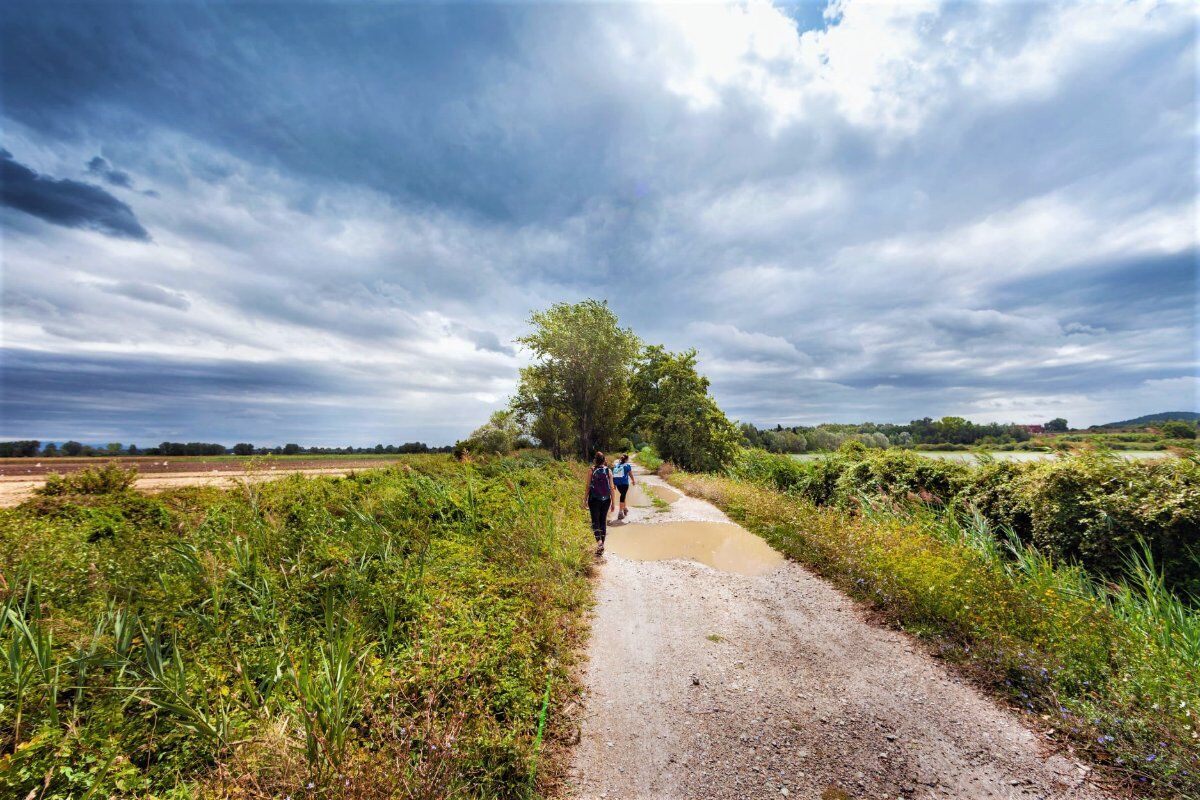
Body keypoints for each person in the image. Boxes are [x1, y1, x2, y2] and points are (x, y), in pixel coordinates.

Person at [582, 451, 617, 555]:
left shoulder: (591, 470)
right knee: (603, 521)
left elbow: (588, 486)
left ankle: (599, 543)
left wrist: (585, 500)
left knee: (595, 521)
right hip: (606, 499)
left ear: (595, 460)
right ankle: (602, 545)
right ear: (604, 460)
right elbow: (611, 488)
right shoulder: (608, 471)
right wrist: (613, 503)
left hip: (594, 499)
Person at [611, 453, 635, 519]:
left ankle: (625, 508)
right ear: (627, 459)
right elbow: (630, 474)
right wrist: (633, 480)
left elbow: (614, 475)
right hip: (624, 483)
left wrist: (614, 483)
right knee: (623, 496)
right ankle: (620, 512)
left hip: (618, 483)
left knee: (622, 495)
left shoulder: (617, 465)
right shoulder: (627, 466)